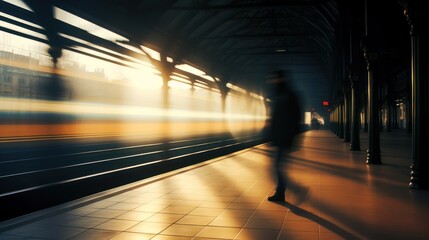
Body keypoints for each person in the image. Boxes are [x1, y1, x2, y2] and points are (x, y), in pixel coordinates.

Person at [265, 70, 302, 202]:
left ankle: (288, 191)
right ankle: (284, 191)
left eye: (274, 78)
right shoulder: (280, 94)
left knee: (277, 166)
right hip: (280, 136)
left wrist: (290, 135)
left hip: (284, 136)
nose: (271, 81)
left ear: (280, 79)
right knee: (277, 166)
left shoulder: (288, 95)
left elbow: (295, 117)